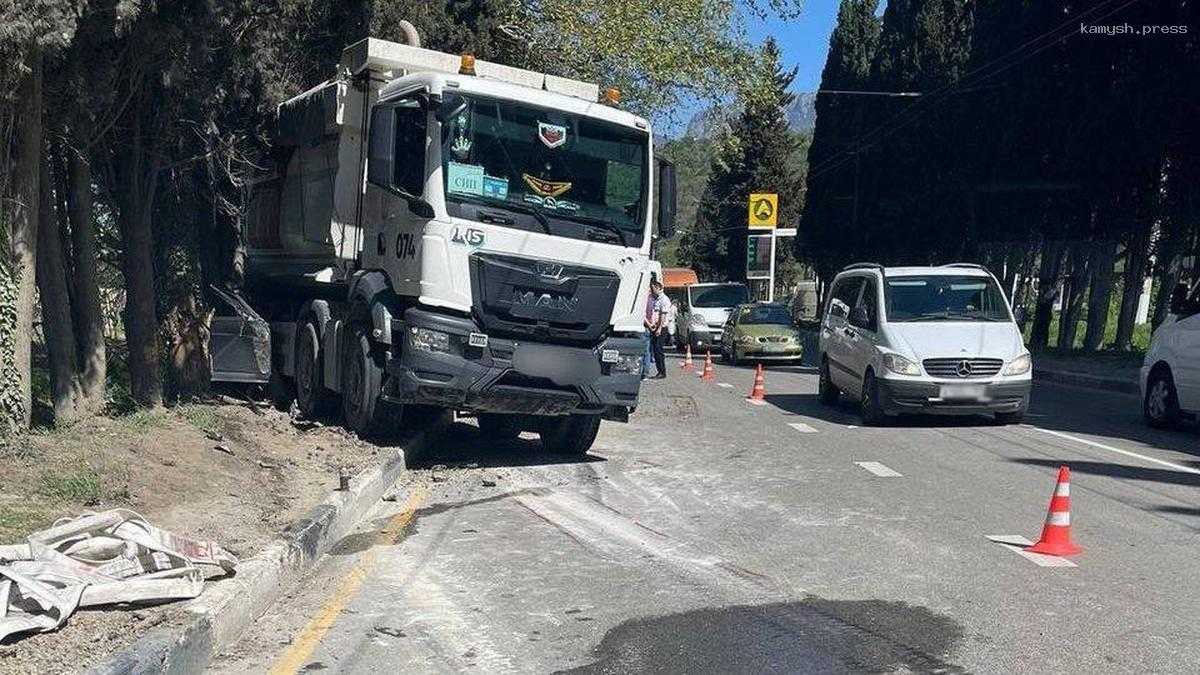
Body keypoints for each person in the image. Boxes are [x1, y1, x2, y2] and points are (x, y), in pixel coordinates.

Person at [648, 281, 670, 379]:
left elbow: (663, 315)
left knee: (658, 350)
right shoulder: (656, 299)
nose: (652, 291)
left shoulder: (664, 300)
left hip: (661, 328)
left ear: (659, 288)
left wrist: (659, 328)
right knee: (655, 350)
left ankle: (662, 372)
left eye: (653, 289)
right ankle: (659, 370)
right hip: (655, 326)